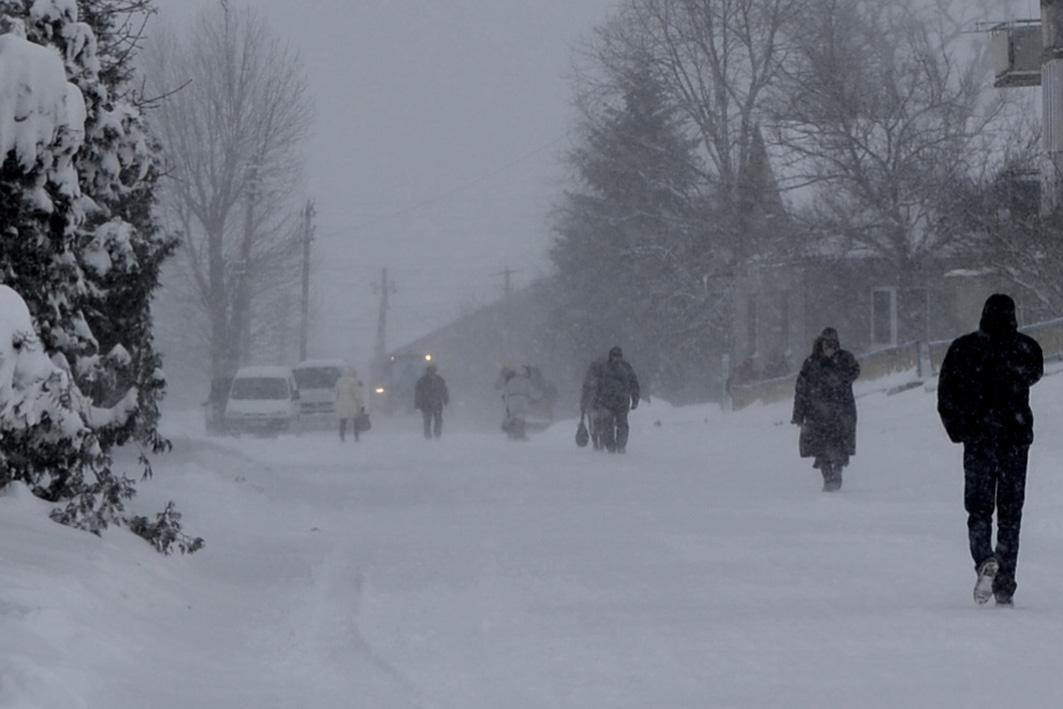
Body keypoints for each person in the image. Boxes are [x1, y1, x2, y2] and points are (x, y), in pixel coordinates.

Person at [937, 293, 1043, 606]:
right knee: (1011, 514)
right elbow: (1034, 373)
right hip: (1014, 440)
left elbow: (946, 393)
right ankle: (1005, 584)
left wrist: (959, 427)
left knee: (979, 509)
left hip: (979, 440)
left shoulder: (964, 348)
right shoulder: (1025, 349)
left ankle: (984, 559)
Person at [791, 327, 860, 492]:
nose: (829, 348)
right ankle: (827, 478)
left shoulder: (844, 360)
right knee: (820, 449)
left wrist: (840, 375)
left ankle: (837, 474)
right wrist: (798, 415)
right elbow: (801, 390)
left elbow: (854, 371)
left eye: (832, 344)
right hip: (817, 415)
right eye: (826, 344)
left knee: (840, 447)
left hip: (840, 413)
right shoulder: (811, 364)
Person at [581, 346, 640, 453]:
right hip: (606, 402)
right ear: (610, 356)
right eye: (614, 356)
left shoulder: (626, 368)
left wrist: (635, 398)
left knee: (622, 425)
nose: (616, 358)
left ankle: (621, 446)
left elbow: (634, 383)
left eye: (619, 356)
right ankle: (611, 447)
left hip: (622, 403)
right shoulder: (603, 368)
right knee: (607, 426)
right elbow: (598, 385)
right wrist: (596, 400)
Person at [498, 365, 534, 440]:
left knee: (512, 417)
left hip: (512, 400)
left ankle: (511, 434)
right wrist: (530, 400)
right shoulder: (526, 381)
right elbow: (530, 393)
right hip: (522, 399)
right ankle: (521, 434)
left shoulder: (510, 382)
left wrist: (507, 406)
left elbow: (506, 394)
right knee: (521, 418)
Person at [414, 364, 449, 439]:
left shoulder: (439, 380)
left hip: (437, 403)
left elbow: (444, 390)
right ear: (428, 371)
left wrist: (445, 399)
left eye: (433, 371)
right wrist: (417, 402)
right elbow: (418, 393)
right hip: (426, 404)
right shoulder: (422, 381)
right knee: (427, 421)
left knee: (438, 420)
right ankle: (428, 435)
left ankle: (437, 434)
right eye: (431, 371)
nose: (432, 372)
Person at [334, 368, 365, 442]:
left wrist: (337, 403)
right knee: (355, 420)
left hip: (341, 403)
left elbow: (336, 393)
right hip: (352, 403)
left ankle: (342, 436)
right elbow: (357, 394)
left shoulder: (339, 381)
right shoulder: (353, 382)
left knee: (343, 420)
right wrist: (361, 405)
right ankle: (356, 436)